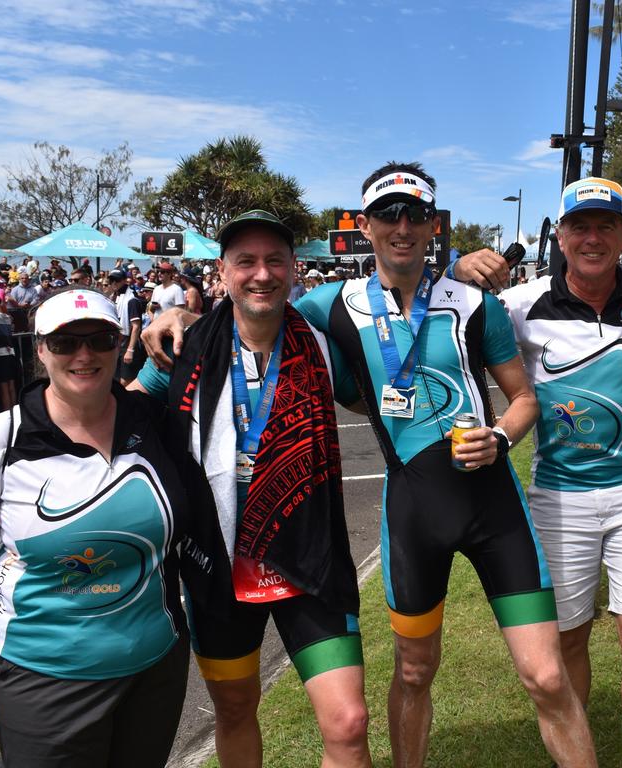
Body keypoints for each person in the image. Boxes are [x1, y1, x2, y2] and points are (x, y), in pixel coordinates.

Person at [293, 163, 595, 768]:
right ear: (365, 225)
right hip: (412, 513)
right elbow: (251, 318)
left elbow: (525, 399)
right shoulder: (329, 306)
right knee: (413, 672)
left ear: (433, 224)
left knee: (546, 676)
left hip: (493, 508)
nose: (401, 226)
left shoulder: (475, 304)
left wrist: (501, 439)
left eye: (414, 214)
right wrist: (174, 321)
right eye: (387, 214)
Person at [452, 177, 622, 768]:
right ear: (560, 236)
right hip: (559, 495)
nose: (594, 237)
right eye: (581, 226)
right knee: (568, 639)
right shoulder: (522, 305)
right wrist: (456, 267)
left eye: (607, 225)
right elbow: (446, 319)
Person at [132, 211, 370, 768]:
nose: (261, 274)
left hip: (307, 556)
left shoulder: (319, 340)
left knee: (348, 721)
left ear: (293, 270)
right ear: (222, 272)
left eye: (274, 261)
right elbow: (124, 412)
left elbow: (382, 386)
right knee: (235, 711)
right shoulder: (182, 347)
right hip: (216, 565)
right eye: (246, 262)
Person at [0, 287, 225, 767]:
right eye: (64, 343)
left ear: (120, 344)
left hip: (154, 671)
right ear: (38, 349)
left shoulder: (151, 418)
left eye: (99, 339)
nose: (84, 355)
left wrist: (180, 311)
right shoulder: (5, 439)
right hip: (41, 681)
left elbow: (230, 325)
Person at [106, 270, 146, 387]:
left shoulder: (131, 300)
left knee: (126, 381)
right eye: (111, 280)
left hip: (128, 342)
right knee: (115, 379)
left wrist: (130, 350)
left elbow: (136, 326)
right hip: (117, 341)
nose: (114, 283)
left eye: (117, 280)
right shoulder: (115, 297)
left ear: (124, 281)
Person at [0, 293, 19, 410]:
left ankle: (8, 415)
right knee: (11, 386)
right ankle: (14, 412)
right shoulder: (7, 317)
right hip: (10, 355)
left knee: (3, 388)